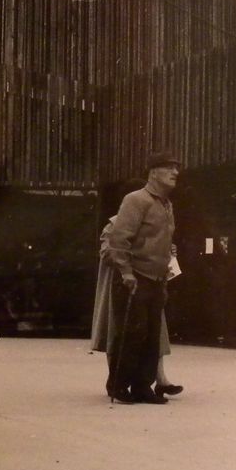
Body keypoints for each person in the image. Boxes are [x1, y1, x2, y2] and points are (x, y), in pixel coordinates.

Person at [98, 151, 181, 405]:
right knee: (132, 334)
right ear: (153, 172)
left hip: (156, 280)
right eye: (169, 168)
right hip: (135, 278)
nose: (175, 173)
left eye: (176, 168)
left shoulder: (166, 205)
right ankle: (119, 385)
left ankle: (143, 387)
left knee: (151, 335)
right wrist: (125, 272)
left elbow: (160, 242)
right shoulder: (136, 200)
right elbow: (118, 240)